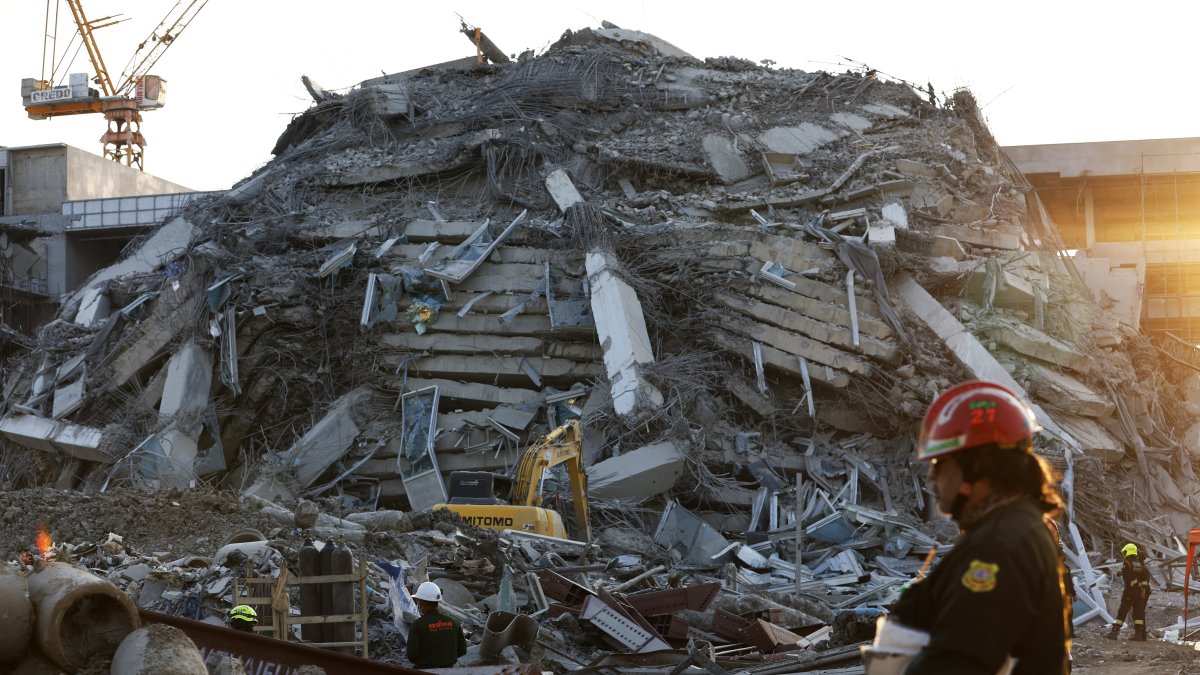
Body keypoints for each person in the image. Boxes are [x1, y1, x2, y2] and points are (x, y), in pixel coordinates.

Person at [891, 380, 1070, 674]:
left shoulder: (1000, 546)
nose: (932, 477)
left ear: (980, 467)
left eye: (940, 463)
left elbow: (957, 663)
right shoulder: (1008, 530)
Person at [406, 581, 467, 668]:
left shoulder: (417, 625)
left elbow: (412, 655)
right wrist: (446, 659)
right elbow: (462, 650)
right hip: (450, 670)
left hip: (425, 670)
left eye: (419, 601)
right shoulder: (454, 622)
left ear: (423, 602)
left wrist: (426, 661)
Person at [1106, 543, 1151, 641]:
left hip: (1130, 592)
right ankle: (1139, 635)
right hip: (1140, 593)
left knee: (1122, 612)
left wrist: (1123, 573)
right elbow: (1144, 576)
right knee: (1138, 613)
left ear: (1127, 551)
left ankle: (1114, 632)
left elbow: (1129, 578)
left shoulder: (1127, 563)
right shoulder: (1141, 564)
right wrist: (1142, 587)